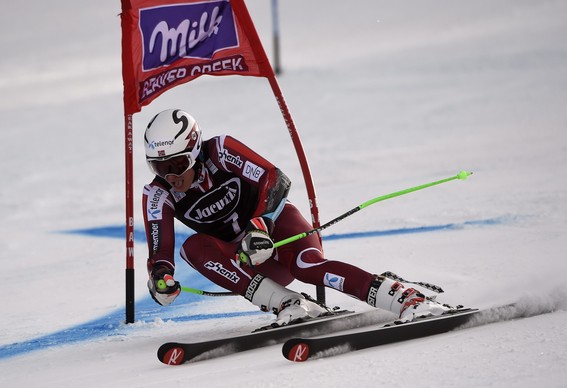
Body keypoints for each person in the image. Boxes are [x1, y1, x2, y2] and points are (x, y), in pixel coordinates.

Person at [142, 109, 450, 325]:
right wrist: (160, 279)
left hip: (277, 231)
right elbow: (161, 252)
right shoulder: (157, 195)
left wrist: (261, 225)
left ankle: (408, 299)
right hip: (247, 263)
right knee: (193, 248)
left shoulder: (221, 151)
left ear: (195, 150)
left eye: (177, 164)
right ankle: (288, 303)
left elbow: (276, 180)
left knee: (307, 266)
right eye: (159, 167)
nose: (170, 176)